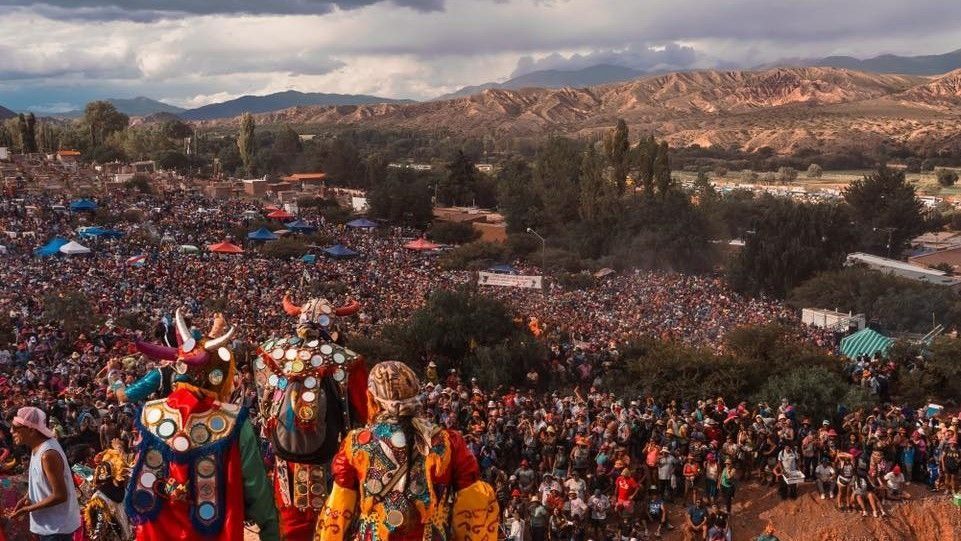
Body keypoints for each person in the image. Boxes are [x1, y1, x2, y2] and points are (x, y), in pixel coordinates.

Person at [124, 310, 280, 541]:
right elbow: (255, 488)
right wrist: (270, 529)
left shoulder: (150, 414)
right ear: (219, 376)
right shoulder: (234, 421)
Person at [315, 361, 498, 541]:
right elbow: (473, 506)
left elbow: (338, 511)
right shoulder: (448, 441)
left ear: (371, 398)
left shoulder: (355, 444)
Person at [8, 406, 82, 541]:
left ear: (31, 430)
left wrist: (28, 509)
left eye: (15, 427)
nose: (11, 431)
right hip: (49, 527)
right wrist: (27, 497)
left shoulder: (48, 455)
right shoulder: (37, 447)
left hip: (56, 529)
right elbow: (42, 481)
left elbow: (60, 495)